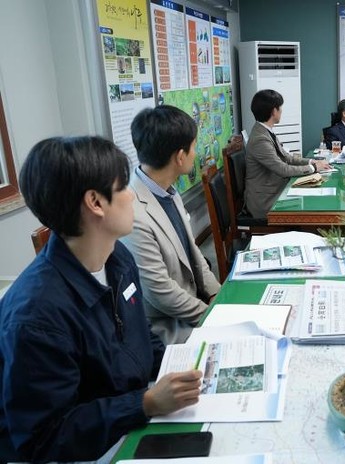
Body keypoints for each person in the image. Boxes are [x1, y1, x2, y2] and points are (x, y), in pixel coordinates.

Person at [0, 137, 202, 462]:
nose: (132, 195)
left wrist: (186, 363)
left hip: (125, 412)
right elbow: (44, 438)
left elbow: (139, 335)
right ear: (95, 202)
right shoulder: (36, 316)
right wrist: (145, 404)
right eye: (123, 187)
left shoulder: (117, 257)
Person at [124, 105, 221, 345]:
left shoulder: (167, 189)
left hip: (193, 304)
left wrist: (216, 294)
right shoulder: (132, 213)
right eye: (194, 147)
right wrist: (212, 316)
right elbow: (159, 291)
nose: (195, 154)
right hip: (166, 327)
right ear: (179, 157)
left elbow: (193, 251)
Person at [245, 89, 330, 218]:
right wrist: (313, 168)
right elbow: (283, 169)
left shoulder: (265, 131)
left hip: (275, 190)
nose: (281, 111)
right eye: (280, 108)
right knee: (312, 206)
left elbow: (287, 158)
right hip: (266, 201)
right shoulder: (260, 139)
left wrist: (311, 161)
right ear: (274, 111)